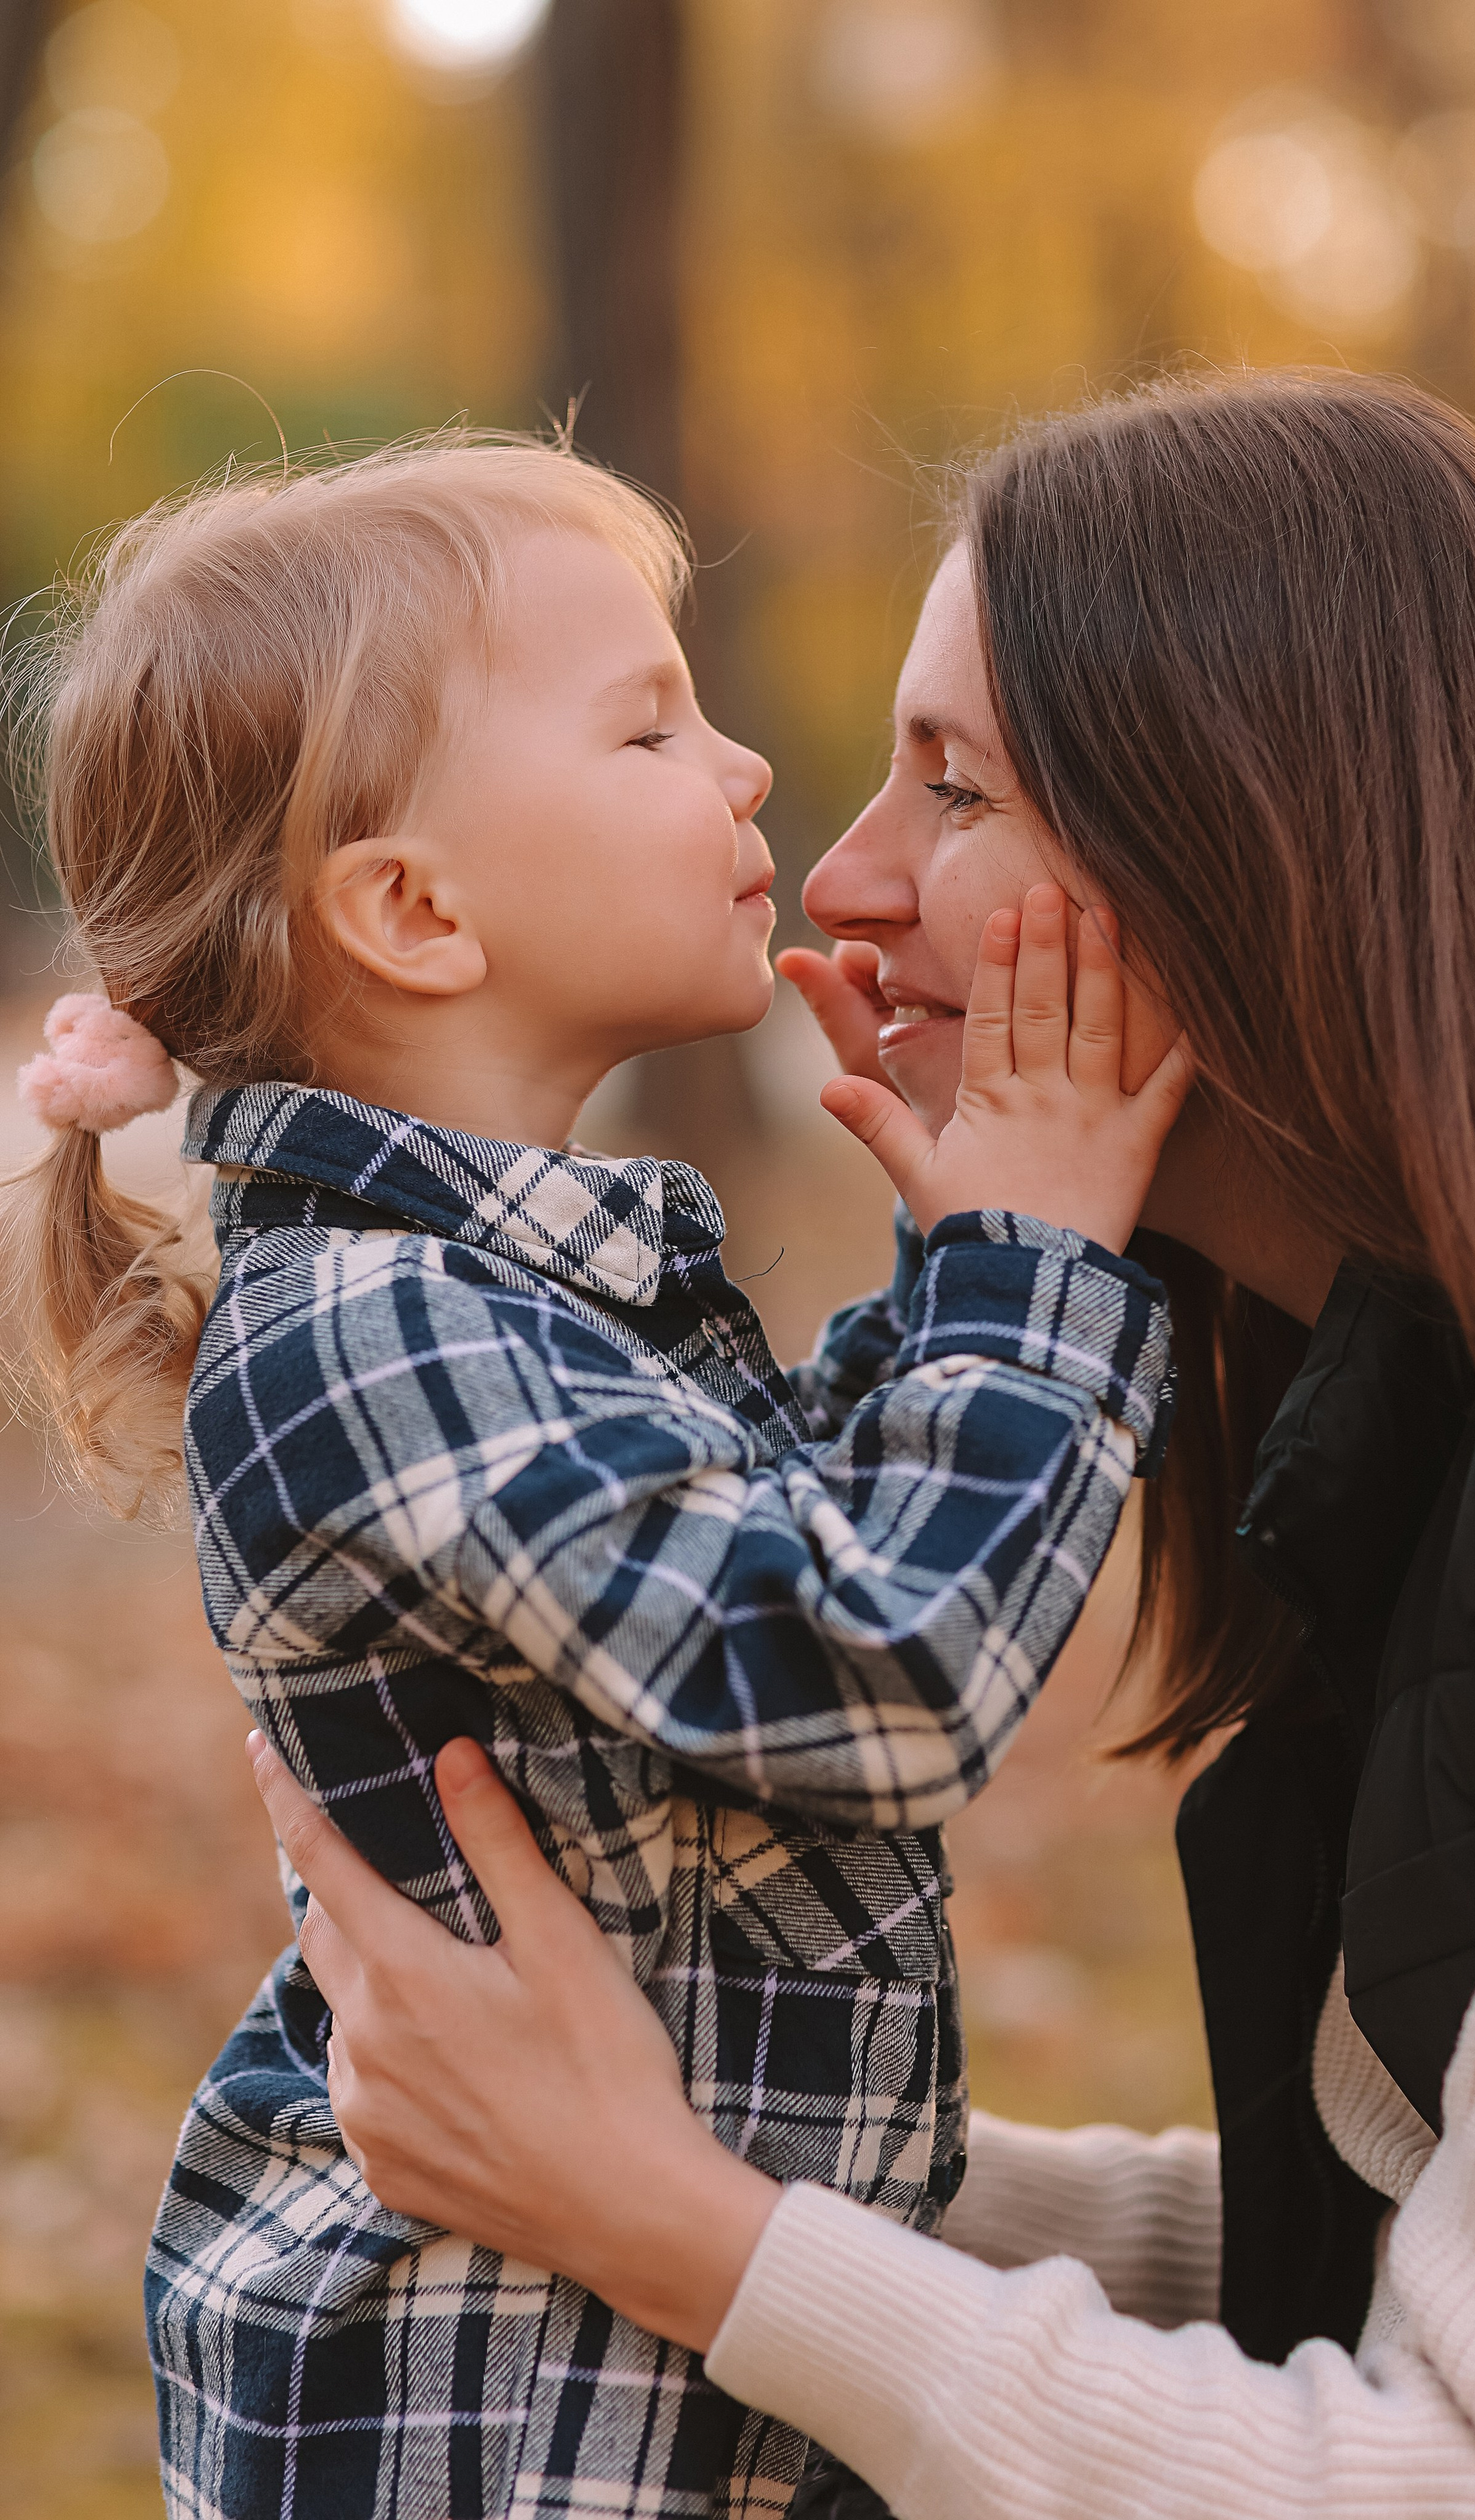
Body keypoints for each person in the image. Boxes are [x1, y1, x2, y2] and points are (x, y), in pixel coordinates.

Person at [253, 368, 1475, 2520]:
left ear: (1259, 840)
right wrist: (651, 2132)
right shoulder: (1415, 1408)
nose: (843, 873)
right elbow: (1453, 2247)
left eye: (961, 787)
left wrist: (681, 2218)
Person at [2, 432, 1193, 2520]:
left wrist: (951, 1274)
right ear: (413, 910)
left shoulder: (508, 1304)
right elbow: (871, 1667)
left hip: (644, 2398)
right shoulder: (367, 1339)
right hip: (496, 2439)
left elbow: (774, 1542)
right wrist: (1036, 1273)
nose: (745, 775)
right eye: (650, 726)